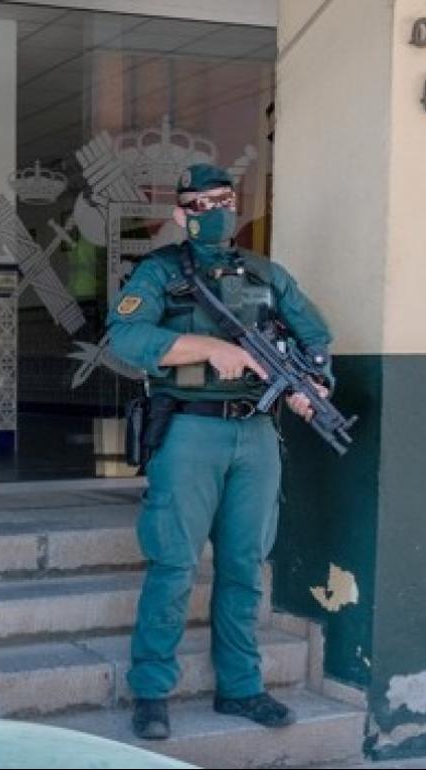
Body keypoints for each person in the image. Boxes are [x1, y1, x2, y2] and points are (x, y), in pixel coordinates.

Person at [106, 163, 334, 739]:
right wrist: (207, 346)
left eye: (224, 201)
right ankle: (151, 691)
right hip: (190, 429)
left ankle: (241, 687)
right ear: (181, 214)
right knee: (173, 565)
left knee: (244, 567)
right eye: (201, 204)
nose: (215, 212)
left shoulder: (266, 274)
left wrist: (314, 384)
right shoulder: (159, 272)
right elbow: (126, 336)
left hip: (256, 434)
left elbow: (315, 336)